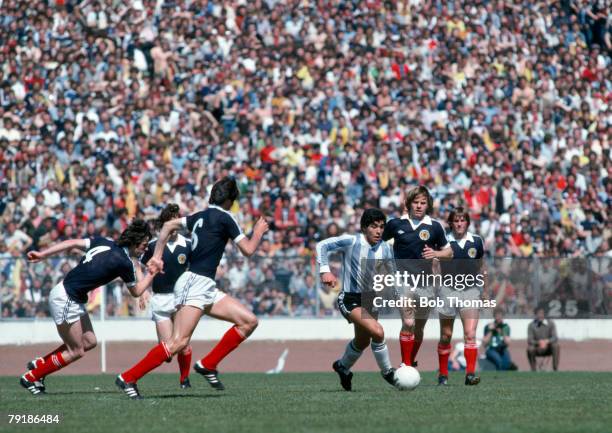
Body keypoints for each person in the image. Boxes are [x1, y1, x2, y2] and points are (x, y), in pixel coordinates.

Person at [116, 177, 269, 399]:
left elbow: (168, 225)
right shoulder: (226, 218)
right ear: (230, 200)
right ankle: (128, 377)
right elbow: (248, 249)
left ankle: (208, 363)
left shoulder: (199, 216)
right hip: (195, 282)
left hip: (204, 284)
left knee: (248, 321)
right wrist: (258, 231)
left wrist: (157, 256)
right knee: (178, 342)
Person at [20, 220, 156, 395]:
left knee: (89, 341)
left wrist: (43, 254)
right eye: (144, 245)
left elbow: (72, 243)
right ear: (134, 242)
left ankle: (40, 364)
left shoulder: (105, 241)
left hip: (68, 295)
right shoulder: (124, 262)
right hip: (66, 297)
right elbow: (137, 291)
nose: (145, 249)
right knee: (76, 351)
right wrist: (152, 273)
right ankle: (31, 377)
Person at [317, 208, 396, 391]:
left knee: (362, 342)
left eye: (382, 227)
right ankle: (387, 372)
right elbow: (322, 245)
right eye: (374, 227)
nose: (378, 231)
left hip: (370, 300)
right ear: (364, 228)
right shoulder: (352, 241)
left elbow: (392, 274)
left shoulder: (385, 248)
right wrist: (325, 270)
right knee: (378, 332)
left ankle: (342, 367)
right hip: (350, 298)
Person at [382, 186, 452, 368]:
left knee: (419, 328)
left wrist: (436, 253)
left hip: (425, 282)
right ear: (408, 204)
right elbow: (378, 244)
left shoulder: (435, 226)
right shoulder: (396, 224)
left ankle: (410, 360)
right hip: (402, 279)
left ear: (428, 205)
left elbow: (449, 252)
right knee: (408, 321)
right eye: (416, 202)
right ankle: (405, 365)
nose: (419, 206)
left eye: (423, 202)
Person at [140, 204, 193, 388]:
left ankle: (184, 379)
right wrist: (143, 290)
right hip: (161, 299)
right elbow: (137, 265)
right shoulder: (154, 246)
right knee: (167, 352)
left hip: (180, 300)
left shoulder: (188, 244)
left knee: (183, 344)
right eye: (168, 223)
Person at [437, 207, 485, 386]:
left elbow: (481, 266)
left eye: (462, 220)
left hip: (471, 291)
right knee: (446, 335)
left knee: (470, 334)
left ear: (467, 222)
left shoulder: (477, 241)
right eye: (455, 220)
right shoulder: (443, 242)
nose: (459, 223)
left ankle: (470, 374)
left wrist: (485, 291)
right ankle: (443, 375)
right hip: (447, 290)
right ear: (451, 223)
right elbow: (435, 265)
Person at [527, 307, 560, 371]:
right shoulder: (531, 325)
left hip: (548, 348)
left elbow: (555, 337)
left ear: (544, 314)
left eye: (542, 313)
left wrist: (547, 341)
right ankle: (533, 369)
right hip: (537, 348)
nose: (540, 315)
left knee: (556, 346)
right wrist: (539, 342)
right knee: (530, 349)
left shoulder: (551, 323)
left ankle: (555, 369)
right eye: (538, 314)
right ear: (535, 315)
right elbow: (530, 340)